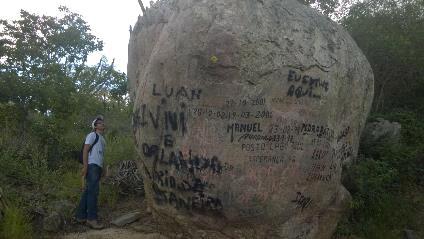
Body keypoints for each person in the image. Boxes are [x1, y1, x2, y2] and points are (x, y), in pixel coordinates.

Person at [75, 116, 106, 229]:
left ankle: (80, 216)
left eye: (103, 123)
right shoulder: (92, 135)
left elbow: (101, 155)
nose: (102, 124)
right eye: (100, 123)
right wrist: (85, 166)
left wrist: (103, 168)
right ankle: (91, 219)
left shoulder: (102, 139)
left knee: (89, 191)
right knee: (93, 192)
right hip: (91, 165)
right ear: (95, 126)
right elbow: (85, 150)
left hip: (98, 167)